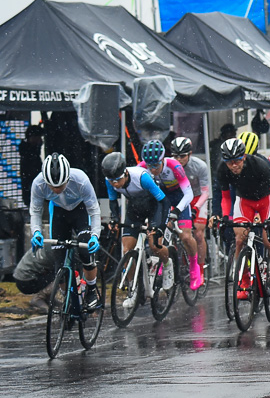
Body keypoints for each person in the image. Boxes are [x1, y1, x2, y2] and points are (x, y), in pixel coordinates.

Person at [214, 137, 270, 298]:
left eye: (237, 160)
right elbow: (226, 197)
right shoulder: (222, 170)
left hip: (266, 200)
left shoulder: (259, 165)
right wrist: (225, 216)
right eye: (229, 161)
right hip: (245, 201)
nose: (234, 165)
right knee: (240, 239)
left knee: (269, 242)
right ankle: (244, 278)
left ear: (244, 156)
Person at [28, 153, 102, 310]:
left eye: (60, 186)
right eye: (52, 186)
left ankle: (91, 290)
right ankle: (67, 296)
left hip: (80, 211)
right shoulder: (38, 183)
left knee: (85, 252)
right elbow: (35, 211)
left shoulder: (80, 179)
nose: (56, 190)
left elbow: (94, 211)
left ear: (68, 178)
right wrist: (36, 232)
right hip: (59, 213)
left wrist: (95, 236)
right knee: (59, 263)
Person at [102, 151, 173, 299]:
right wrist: (114, 219)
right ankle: (133, 290)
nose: (115, 183)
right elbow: (113, 201)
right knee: (127, 251)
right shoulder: (109, 181)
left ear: (126, 173)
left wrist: (159, 227)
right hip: (135, 208)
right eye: (111, 181)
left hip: (154, 206)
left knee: (155, 246)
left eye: (118, 179)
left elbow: (164, 202)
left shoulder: (142, 177)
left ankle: (167, 264)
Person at [138, 139, 203, 290]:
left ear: (162, 160)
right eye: (149, 166)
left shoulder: (174, 166)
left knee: (186, 236)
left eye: (156, 165)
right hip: (161, 198)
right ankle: (164, 260)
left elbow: (189, 194)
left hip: (179, 197)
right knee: (157, 234)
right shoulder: (141, 167)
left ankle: (195, 268)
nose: (153, 169)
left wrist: (177, 211)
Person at [171, 137, 212, 277]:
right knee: (173, 231)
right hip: (180, 198)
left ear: (190, 154)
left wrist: (196, 208)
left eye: (182, 156)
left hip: (197, 198)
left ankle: (199, 269)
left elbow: (206, 192)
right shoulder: (169, 166)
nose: (178, 159)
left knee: (198, 234)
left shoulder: (200, 166)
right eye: (175, 156)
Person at [18, 124, 43, 206]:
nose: (41, 140)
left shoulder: (30, 153)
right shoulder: (30, 155)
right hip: (33, 194)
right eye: (38, 137)